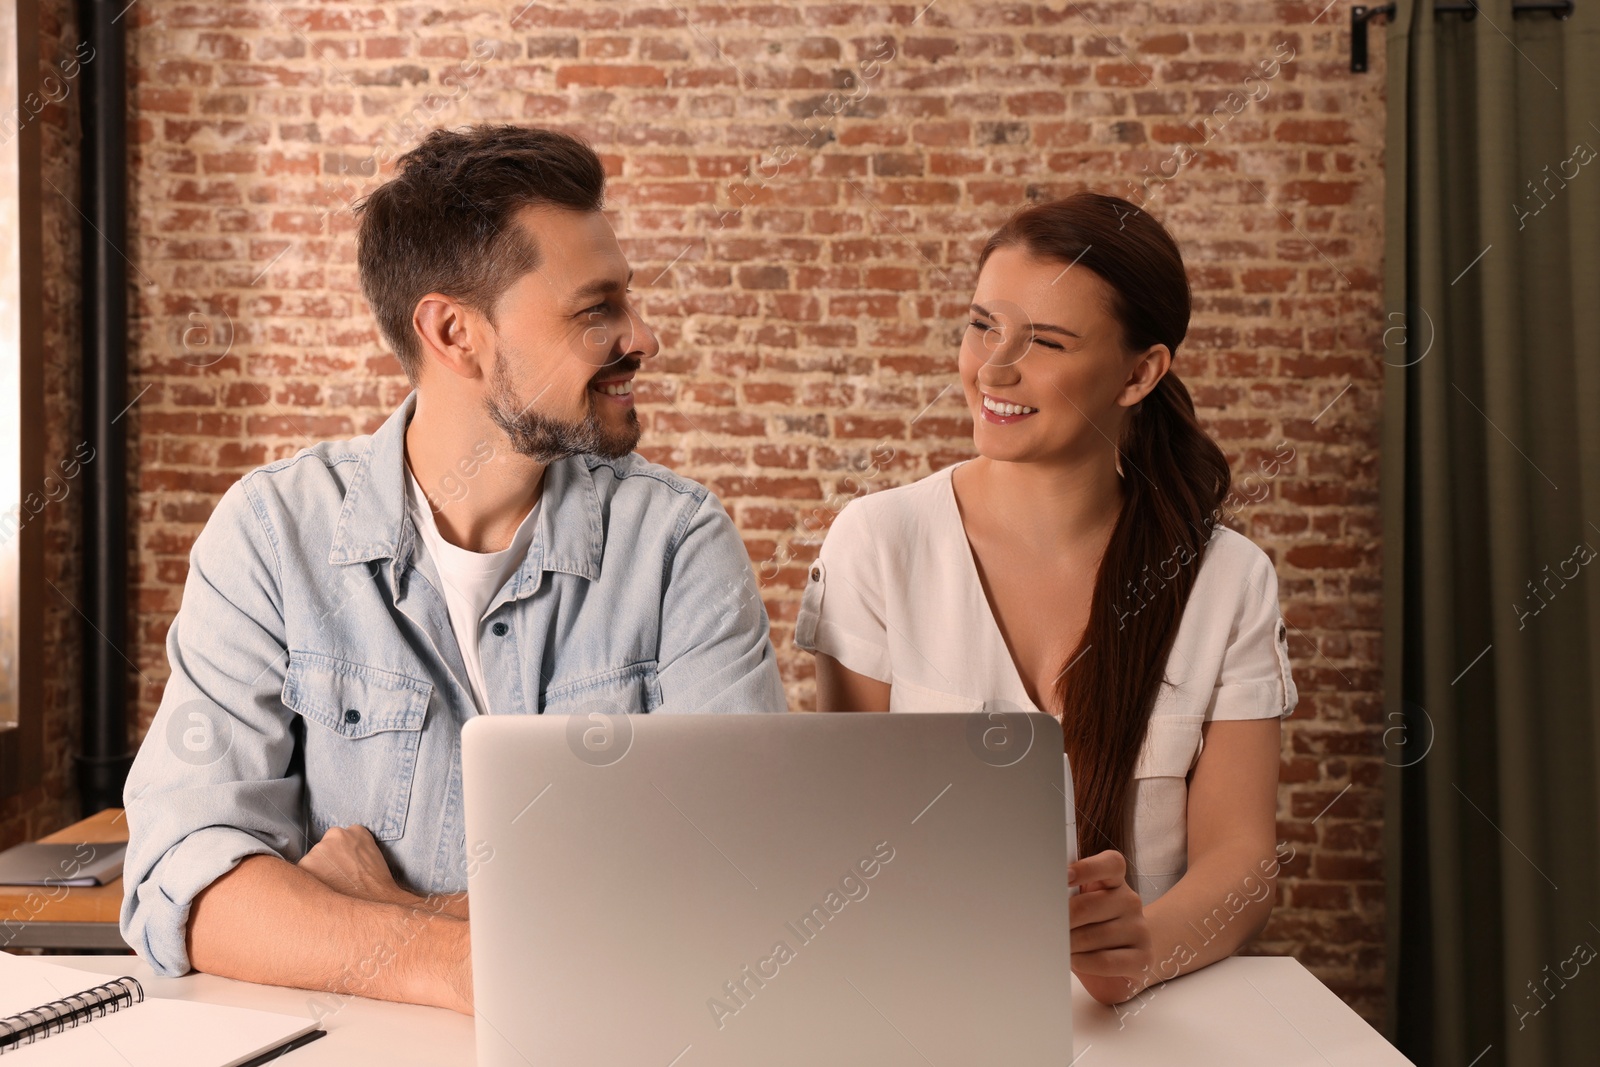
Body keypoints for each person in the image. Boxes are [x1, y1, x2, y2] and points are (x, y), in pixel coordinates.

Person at [120, 125, 788, 1016]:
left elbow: (738, 887)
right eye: (597, 310)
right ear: (453, 332)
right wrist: (471, 962)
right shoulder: (272, 534)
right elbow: (185, 880)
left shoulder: (678, 545)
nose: (644, 336)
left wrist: (387, 913)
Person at [794, 191, 1297, 1007]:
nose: (994, 367)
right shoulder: (877, 542)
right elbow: (850, 833)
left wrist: (1138, 953)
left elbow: (1243, 862)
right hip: (926, 1003)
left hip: (1150, 1016)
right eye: (982, 324)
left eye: (1048, 342)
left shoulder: (1229, 579)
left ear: (1140, 374)